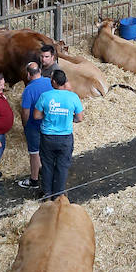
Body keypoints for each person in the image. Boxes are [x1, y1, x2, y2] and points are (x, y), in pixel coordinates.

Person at [32, 69, 83, 200]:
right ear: (64, 81)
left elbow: (36, 116)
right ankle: (59, 194)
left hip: (47, 137)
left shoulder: (45, 96)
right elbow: (79, 118)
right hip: (65, 138)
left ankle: (47, 193)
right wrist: (69, 118)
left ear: (53, 82)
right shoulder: (73, 97)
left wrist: (49, 114)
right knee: (62, 166)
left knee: (47, 165)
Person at [18, 60, 52, 191]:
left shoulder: (28, 90)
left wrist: (25, 126)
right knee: (48, 150)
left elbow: (25, 111)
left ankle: (34, 179)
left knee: (34, 153)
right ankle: (48, 174)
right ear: (40, 71)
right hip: (49, 124)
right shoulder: (50, 82)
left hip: (34, 125)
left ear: (28, 75)